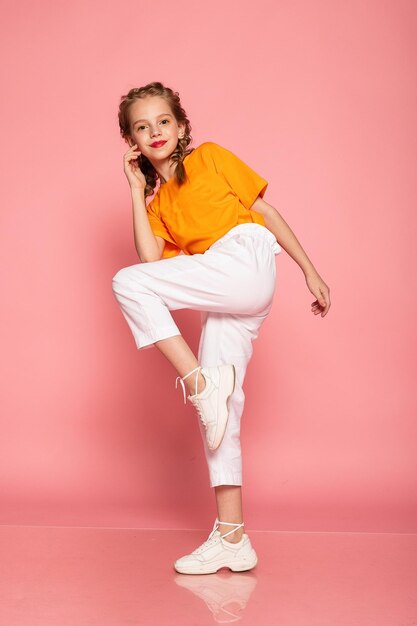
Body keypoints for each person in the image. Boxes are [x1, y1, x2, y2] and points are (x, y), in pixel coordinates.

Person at [112, 81, 331, 575]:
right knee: (221, 413)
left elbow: (266, 211)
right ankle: (232, 537)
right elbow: (151, 262)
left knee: (126, 283)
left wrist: (310, 271)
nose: (155, 131)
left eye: (163, 121)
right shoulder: (158, 205)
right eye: (142, 128)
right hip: (226, 289)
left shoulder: (209, 157)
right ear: (134, 144)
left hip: (245, 257)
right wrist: (135, 190)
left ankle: (198, 383)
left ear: (182, 127)